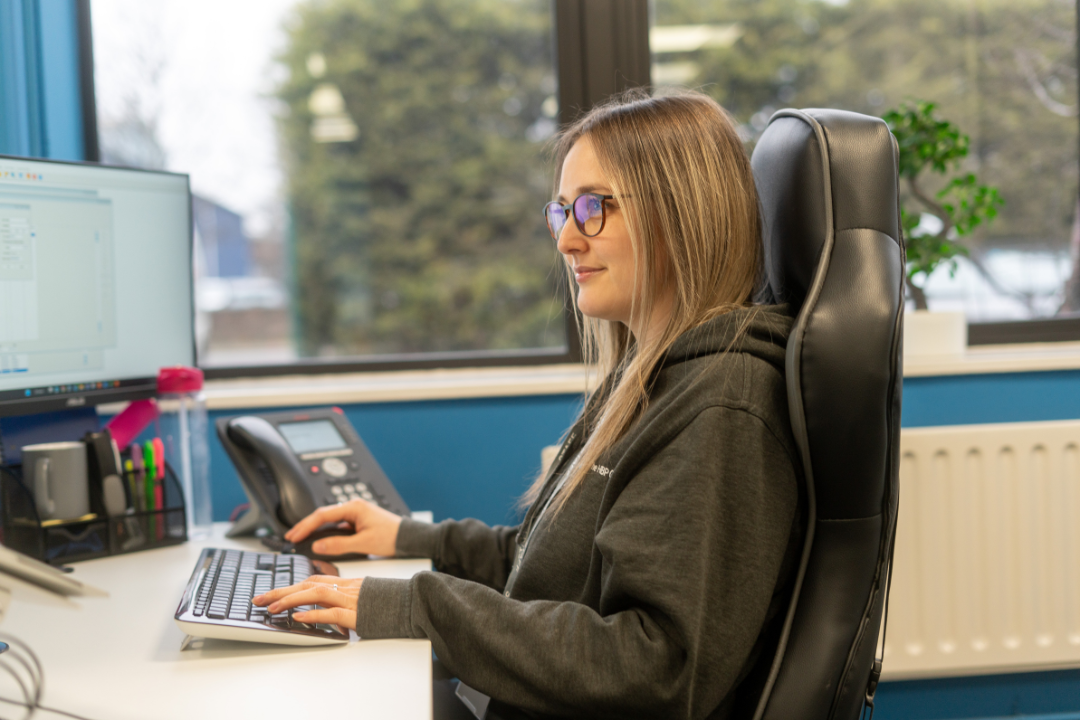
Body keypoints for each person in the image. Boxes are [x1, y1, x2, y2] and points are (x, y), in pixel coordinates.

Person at [253, 90, 804, 720]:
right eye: (562, 211)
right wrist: (408, 538)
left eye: (594, 208)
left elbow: (656, 665)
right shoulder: (655, 376)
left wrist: (414, 607)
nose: (567, 239)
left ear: (682, 212)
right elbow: (546, 569)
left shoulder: (721, 408)